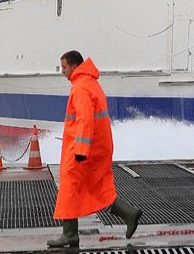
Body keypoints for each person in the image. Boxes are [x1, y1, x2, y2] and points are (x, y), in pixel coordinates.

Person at [48, 50, 143, 248]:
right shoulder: (91, 83)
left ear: (74, 66)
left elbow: (85, 120)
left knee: (69, 185)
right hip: (98, 146)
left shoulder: (81, 87)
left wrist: (81, 151)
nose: (62, 71)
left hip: (83, 148)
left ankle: (70, 234)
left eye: (64, 67)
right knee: (97, 187)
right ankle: (129, 214)